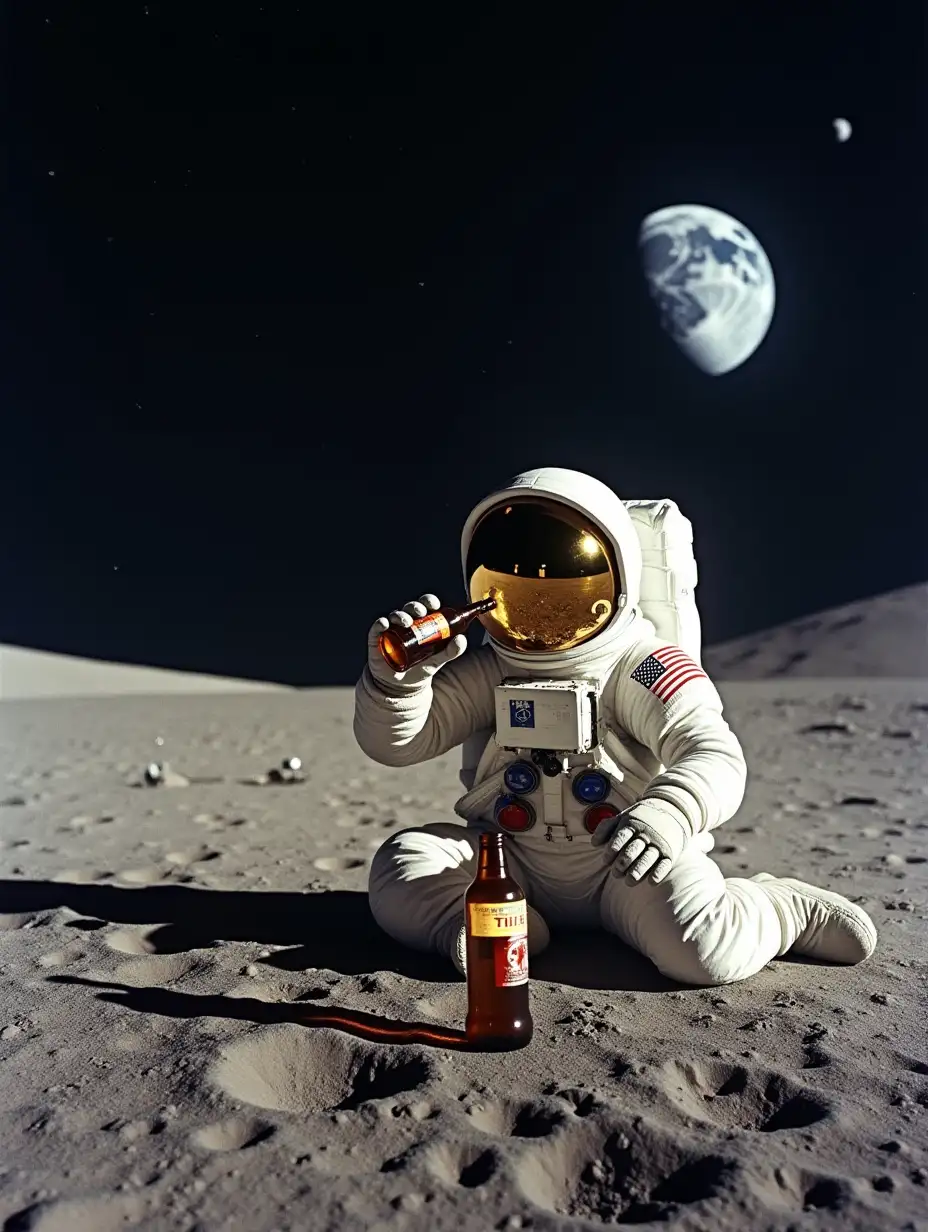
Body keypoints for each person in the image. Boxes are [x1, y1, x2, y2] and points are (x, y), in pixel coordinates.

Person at [355, 466, 877, 987]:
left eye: (563, 587)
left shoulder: (642, 664)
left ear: (619, 581)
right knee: (401, 868)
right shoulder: (490, 667)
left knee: (702, 951)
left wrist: (669, 812)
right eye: (516, 583)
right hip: (508, 860)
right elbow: (400, 745)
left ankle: (777, 909)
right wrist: (398, 686)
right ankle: (484, 927)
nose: (541, 605)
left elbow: (713, 751)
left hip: (628, 861)